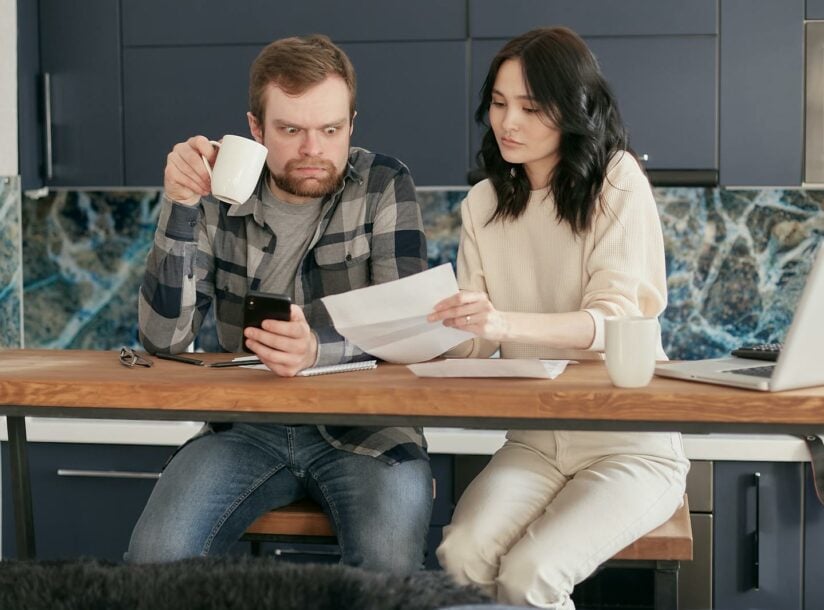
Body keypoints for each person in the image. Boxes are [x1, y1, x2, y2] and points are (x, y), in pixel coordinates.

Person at [127, 34, 433, 572]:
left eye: (330, 130)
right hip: (245, 425)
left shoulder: (385, 184)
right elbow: (162, 339)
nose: (313, 149)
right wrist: (178, 206)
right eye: (291, 130)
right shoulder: (218, 196)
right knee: (155, 561)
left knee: (389, 571)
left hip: (370, 427)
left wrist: (320, 349)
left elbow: (407, 328)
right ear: (256, 129)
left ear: (352, 125)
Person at [428, 27, 689, 608]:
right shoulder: (483, 203)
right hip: (535, 440)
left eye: (530, 107)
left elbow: (615, 320)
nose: (508, 123)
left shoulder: (617, 181)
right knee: (461, 555)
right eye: (498, 104)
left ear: (574, 109)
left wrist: (501, 324)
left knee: (532, 574)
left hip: (629, 445)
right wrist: (430, 328)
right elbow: (472, 343)